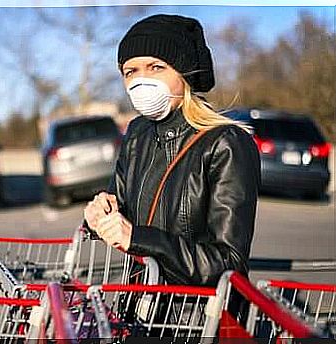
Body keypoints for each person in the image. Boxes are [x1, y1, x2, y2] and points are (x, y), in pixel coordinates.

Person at [83, 14, 260, 287]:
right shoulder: (136, 134)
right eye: (131, 72)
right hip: (141, 305)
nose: (141, 81)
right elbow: (119, 207)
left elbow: (229, 262)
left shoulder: (226, 143)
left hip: (197, 317)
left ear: (184, 72)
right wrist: (100, 215)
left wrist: (139, 239)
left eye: (155, 67)